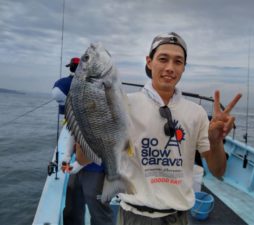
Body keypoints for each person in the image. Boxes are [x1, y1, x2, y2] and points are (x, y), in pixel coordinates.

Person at [76, 32, 242, 225]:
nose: (170, 68)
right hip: (134, 216)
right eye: (163, 59)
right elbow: (82, 158)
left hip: (179, 217)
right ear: (149, 62)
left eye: (178, 62)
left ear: (184, 68)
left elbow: (218, 171)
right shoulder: (123, 104)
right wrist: (89, 116)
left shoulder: (197, 113)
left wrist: (216, 141)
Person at [52, 57, 114, 225]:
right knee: (72, 202)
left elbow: (101, 140)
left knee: (98, 209)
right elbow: (72, 129)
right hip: (78, 164)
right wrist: (66, 156)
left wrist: (79, 163)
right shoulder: (77, 100)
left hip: (97, 168)